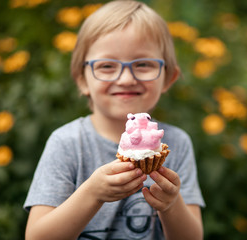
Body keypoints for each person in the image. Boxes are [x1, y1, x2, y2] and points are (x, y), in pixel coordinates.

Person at [24, 1, 205, 239]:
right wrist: (92, 194)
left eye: (143, 64)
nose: (127, 79)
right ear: (82, 79)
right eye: (107, 66)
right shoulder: (67, 143)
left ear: (169, 78)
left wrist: (171, 205)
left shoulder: (176, 144)